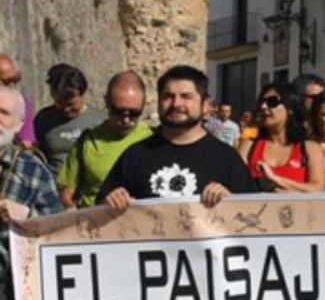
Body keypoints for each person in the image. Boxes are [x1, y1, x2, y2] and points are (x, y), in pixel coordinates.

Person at [97, 66, 254, 209]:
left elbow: (253, 216)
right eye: (168, 96)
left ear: (205, 105)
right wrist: (109, 203)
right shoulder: (135, 155)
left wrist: (231, 202)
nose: (176, 104)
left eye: (186, 96)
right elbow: (98, 213)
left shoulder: (227, 159)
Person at [0, 86, 62, 300]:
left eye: (4, 113)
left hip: (6, 291)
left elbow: (57, 232)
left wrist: (27, 214)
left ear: (19, 124)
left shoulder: (34, 172)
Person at [57, 71, 153, 209]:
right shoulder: (87, 141)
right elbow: (66, 189)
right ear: (106, 102)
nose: (126, 120)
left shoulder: (153, 140)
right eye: (118, 111)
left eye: (134, 113)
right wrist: (70, 208)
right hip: (95, 219)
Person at [238, 83, 325, 193]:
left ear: (290, 109)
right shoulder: (248, 147)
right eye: (261, 102)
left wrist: (275, 179)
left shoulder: (309, 149)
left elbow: (317, 189)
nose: (263, 107)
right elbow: (237, 186)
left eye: (272, 102)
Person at [34, 65, 105, 173]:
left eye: (70, 104)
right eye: (59, 102)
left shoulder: (99, 121)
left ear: (81, 94)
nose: (65, 109)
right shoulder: (44, 119)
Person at [0, 54, 35, 148]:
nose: (12, 85)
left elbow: (26, 144)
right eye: (7, 81)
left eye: (15, 80)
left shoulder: (21, 104)